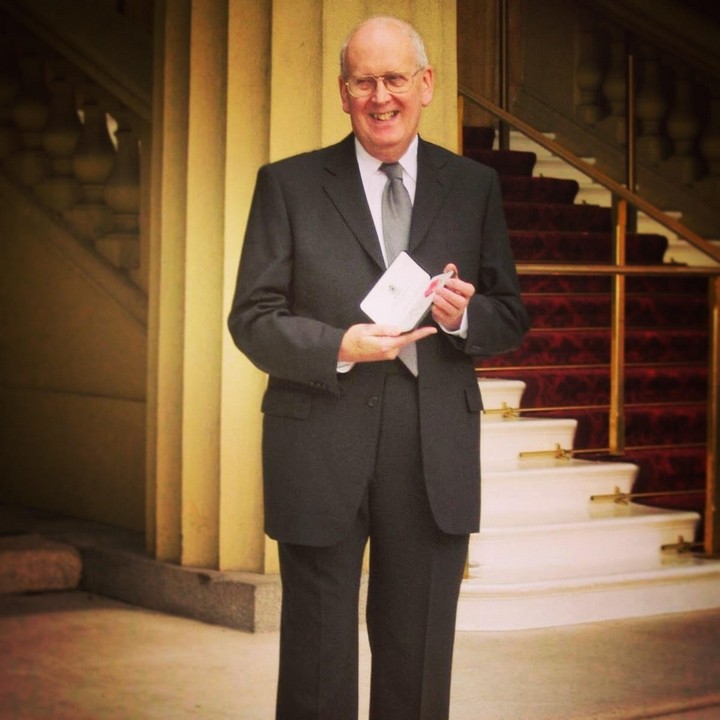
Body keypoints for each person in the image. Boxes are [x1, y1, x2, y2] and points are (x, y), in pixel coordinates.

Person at [228, 15, 529, 720]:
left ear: (425, 85)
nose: (381, 96)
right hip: (319, 438)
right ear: (342, 92)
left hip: (432, 448)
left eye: (395, 79)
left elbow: (509, 314)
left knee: (419, 656)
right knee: (316, 659)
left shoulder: (474, 186)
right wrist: (339, 344)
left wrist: (461, 317)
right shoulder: (289, 185)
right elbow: (253, 316)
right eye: (364, 81)